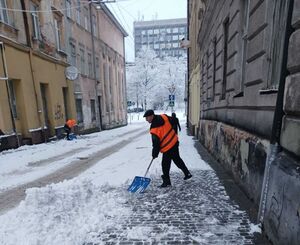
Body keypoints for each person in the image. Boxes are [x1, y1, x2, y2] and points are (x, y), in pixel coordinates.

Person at [143, 109, 192, 187]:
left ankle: (167, 182)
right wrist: (172, 130)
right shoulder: (164, 117)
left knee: (165, 164)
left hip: (167, 147)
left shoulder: (154, 129)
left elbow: (156, 144)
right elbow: (175, 120)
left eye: (147, 118)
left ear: (152, 116)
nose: (146, 119)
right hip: (174, 142)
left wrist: (154, 154)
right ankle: (187, 173)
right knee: (177, 159)